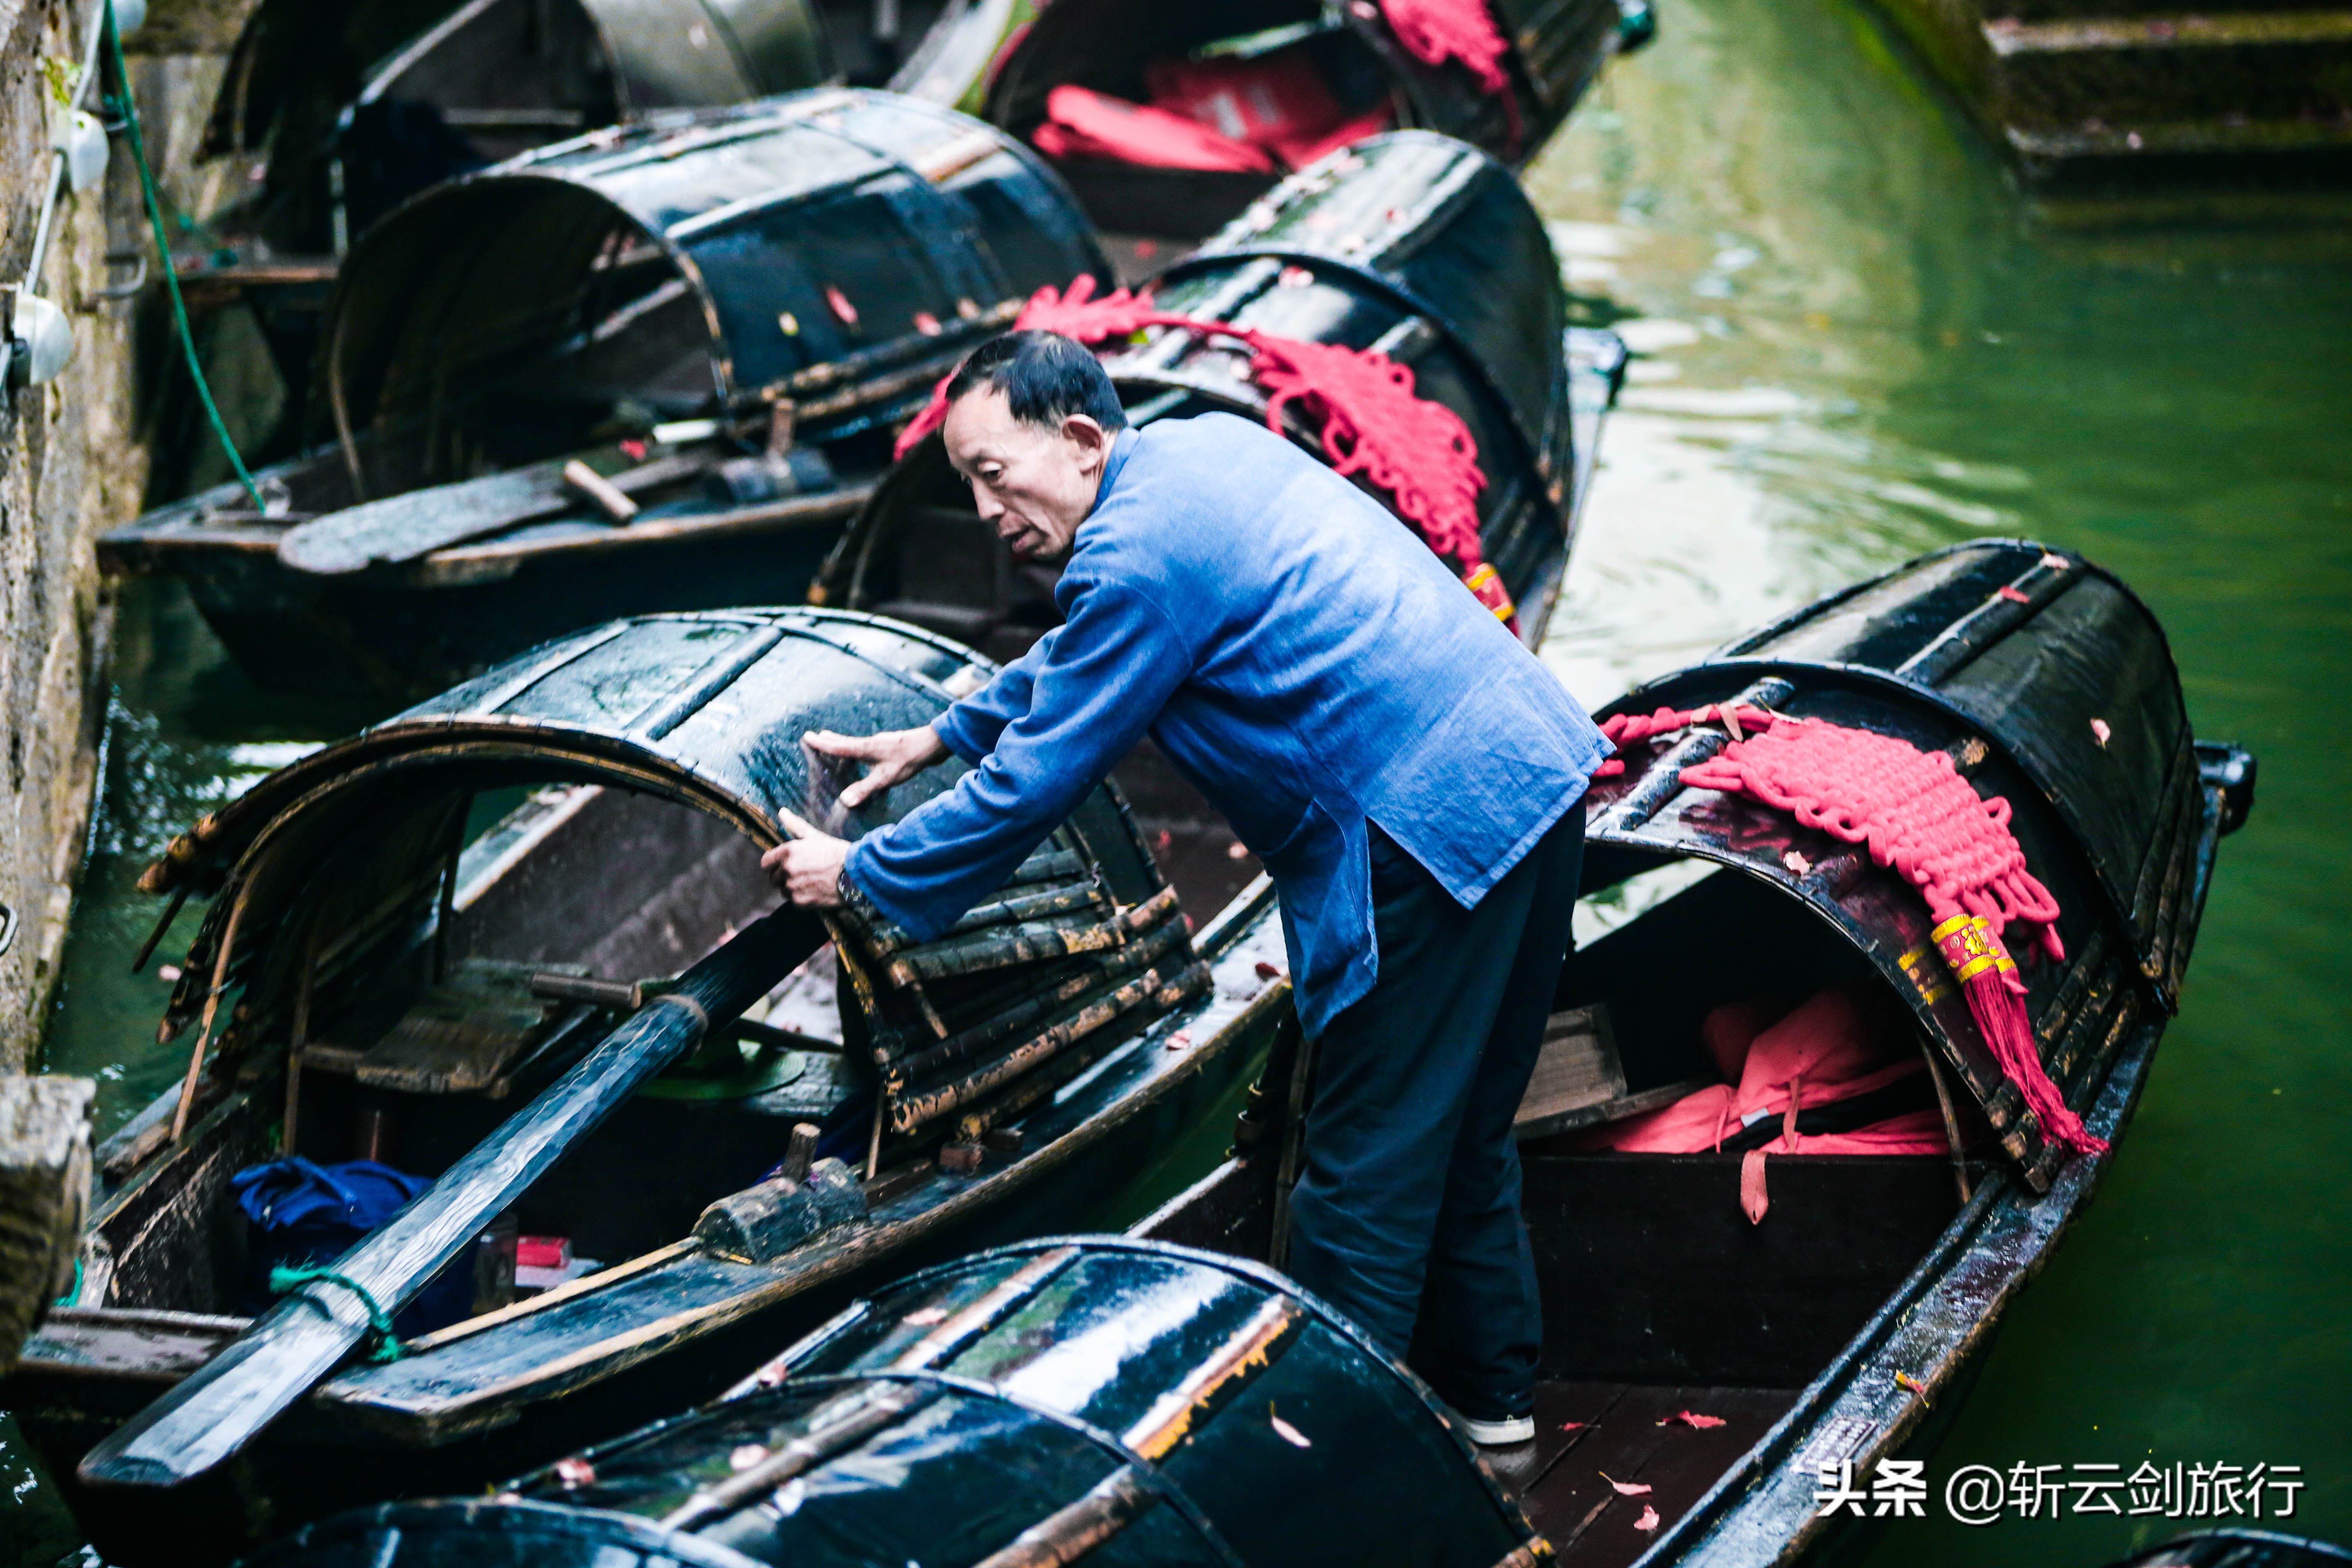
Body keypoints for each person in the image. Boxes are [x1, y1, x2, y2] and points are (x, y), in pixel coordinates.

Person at [764, 330, 1610, 1444]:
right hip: (1531, 778)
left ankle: (1326, 1468)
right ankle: (1493, 1417)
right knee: (1459, 1135)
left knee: (1360, 1173)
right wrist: (939, 735)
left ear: (1074, 440)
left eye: (989, 473)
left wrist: (861, 872)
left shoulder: (1136, 559)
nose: (981, 509)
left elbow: (1036, 782)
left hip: (1426, 839)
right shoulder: (1201, 453)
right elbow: (1090, 652)